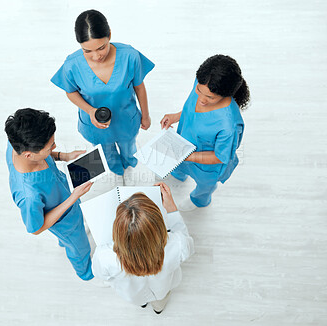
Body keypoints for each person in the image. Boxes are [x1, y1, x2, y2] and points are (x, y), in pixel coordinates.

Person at [51, 9, 154, 177]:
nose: (96, 56)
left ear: (110, 35)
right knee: (106, 153)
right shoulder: (72, 65)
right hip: (95, 124)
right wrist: (90, 111)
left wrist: (146, 115)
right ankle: (115, 170)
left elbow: (139, 87)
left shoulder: (130, 56)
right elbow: (70, 92)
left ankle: (129, 163)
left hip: (126, 119)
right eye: (87, 51)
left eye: (101, 47)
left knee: (129, 147)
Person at [5, 108, 94, 281]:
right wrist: (73, 197)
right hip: (64, 221)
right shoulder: (28, 196)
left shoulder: (17, 141)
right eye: (50, 147)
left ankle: (64, 240)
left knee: (73, 234)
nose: (54, 147)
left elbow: (44, 154)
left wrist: (64, 156)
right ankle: (87, 273)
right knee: (79, 248)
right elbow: (37, 228)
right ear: (29, 154)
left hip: (65, 197)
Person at [160, 55, 250, 211]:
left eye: (210, 97)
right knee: (179, 168)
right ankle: (179, 174)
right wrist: (176, 116)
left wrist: (188, 156)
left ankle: (199, 200)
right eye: (199, 91)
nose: (201, 99)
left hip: (206, 166)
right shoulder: (203, 83)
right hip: (183, 147)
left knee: (204, 186)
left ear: (224, 94)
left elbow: (219, 156)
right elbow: (191, 109)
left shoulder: (229, 125)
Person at [92, 182, 194, 314]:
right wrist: (172, 209)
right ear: (158, 225)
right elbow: (188, 244)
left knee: (140, 300)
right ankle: (158, 308)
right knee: (160, 301)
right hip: (162, 289)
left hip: (133, 295)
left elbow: (99, 274)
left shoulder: (104, 256)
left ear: (118, 229)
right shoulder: (177, 244)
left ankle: (143, 304)